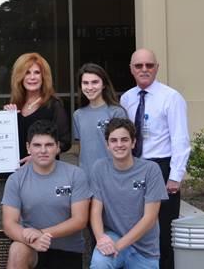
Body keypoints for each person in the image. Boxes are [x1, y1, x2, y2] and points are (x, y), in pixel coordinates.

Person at [119, 49, 190, 269]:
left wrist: (175, 176)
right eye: (139, 66)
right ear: (131, 69)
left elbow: (181, 139)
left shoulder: (171, 97)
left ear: (156, 68)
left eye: (149, 65)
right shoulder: (126, 98)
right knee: (136, 224)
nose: (144, 70)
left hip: (162, 167)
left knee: (164, 229)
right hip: (134, 166)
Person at [1, 120, 91, 269]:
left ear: (57, 148)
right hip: (31, 247)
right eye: (37, 145)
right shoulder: (16, 179)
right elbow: (9, 223)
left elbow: (80, 220)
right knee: (17, 250)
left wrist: (41, 234)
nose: (43, 150)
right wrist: (31, 238)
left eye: (49, 145)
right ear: (28, 148)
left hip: (67, 250)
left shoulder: (76, 174)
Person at [89, 118, 167, 269]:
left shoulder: (151, 170)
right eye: (114, 140)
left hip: (144, 249)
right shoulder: (99, 168)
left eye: (124, 140)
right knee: (100, 263)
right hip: (113, 236)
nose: (119, 145)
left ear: (133, 142)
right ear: (107, 145)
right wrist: (101, 239)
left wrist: (118, 246)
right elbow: (95, 210)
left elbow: (149, 218)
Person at [4, 53, 72, 162]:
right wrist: (5, 119)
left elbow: (65, 142)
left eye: (37, 72)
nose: (32, 77)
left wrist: (38, 157)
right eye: (27, 73)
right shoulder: (15, 105)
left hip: (44, 170)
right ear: (20, 77)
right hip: (16, 171)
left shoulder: (54, 105)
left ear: (43, 77)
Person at [73, 63, 127, 175]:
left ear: (103, 85)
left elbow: (123, 148)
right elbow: (81, 149)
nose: (90, 87)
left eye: (95, 82)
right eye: (85, 83)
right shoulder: (78, 115)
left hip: (112, 175)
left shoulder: (116, 112)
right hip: (87, 177)